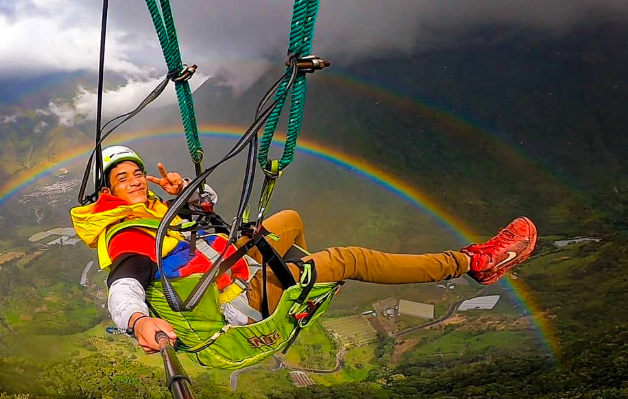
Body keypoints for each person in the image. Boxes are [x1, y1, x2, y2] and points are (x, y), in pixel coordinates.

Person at [71, 145, 538, 353]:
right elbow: (125, 282)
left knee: (288, 219)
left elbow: (202, 220)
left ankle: (294, 279)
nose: (133, 183)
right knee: (347, 259)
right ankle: (476, 262)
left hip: (229, 271)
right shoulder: (126, 231)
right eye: (121, 180)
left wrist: (188, 196)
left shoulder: (153, 210)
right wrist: (136, 320)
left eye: (136, 175)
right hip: (233, 301)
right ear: (106, 192)